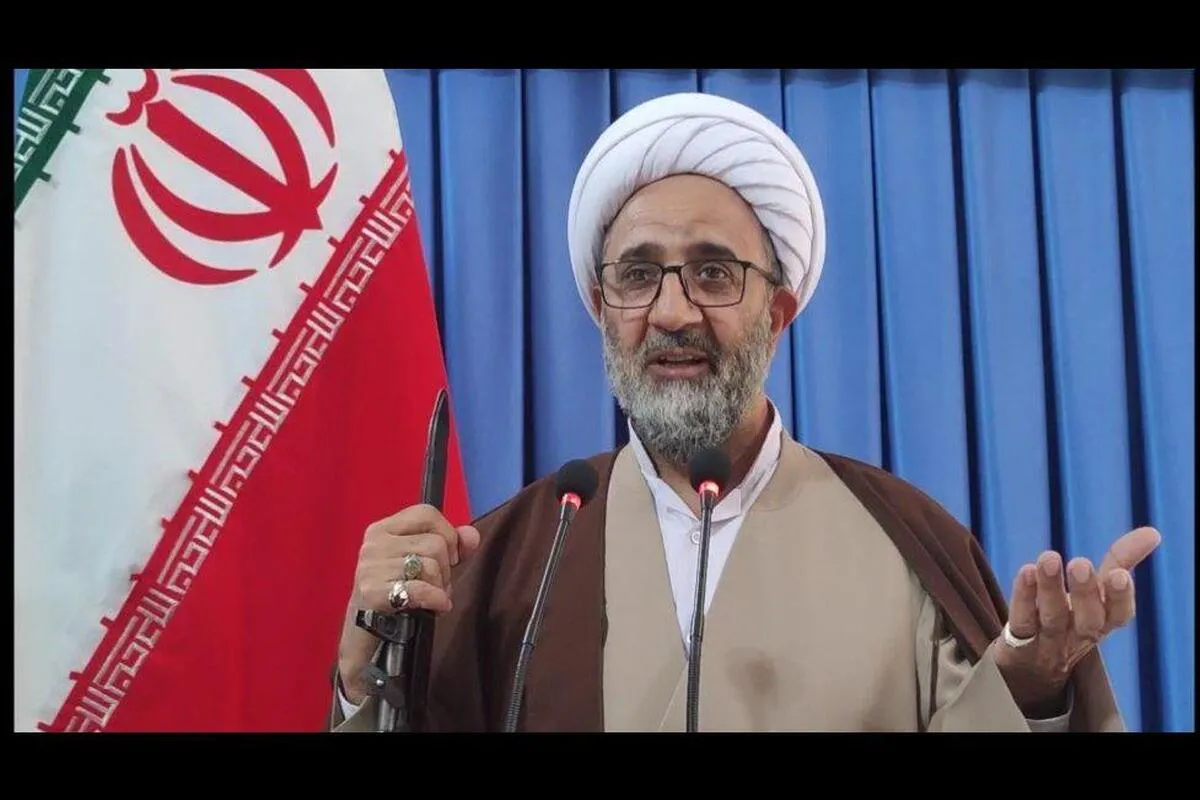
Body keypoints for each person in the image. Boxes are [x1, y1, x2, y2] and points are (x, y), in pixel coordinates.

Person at [329, 92, 1160, 732]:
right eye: (638, 275)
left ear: (779, 311)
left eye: (714, 273)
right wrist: (365, 676)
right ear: (602, 308)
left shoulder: (905, 538)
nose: (673, 311)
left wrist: (1032, 684)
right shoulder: (519, 557)